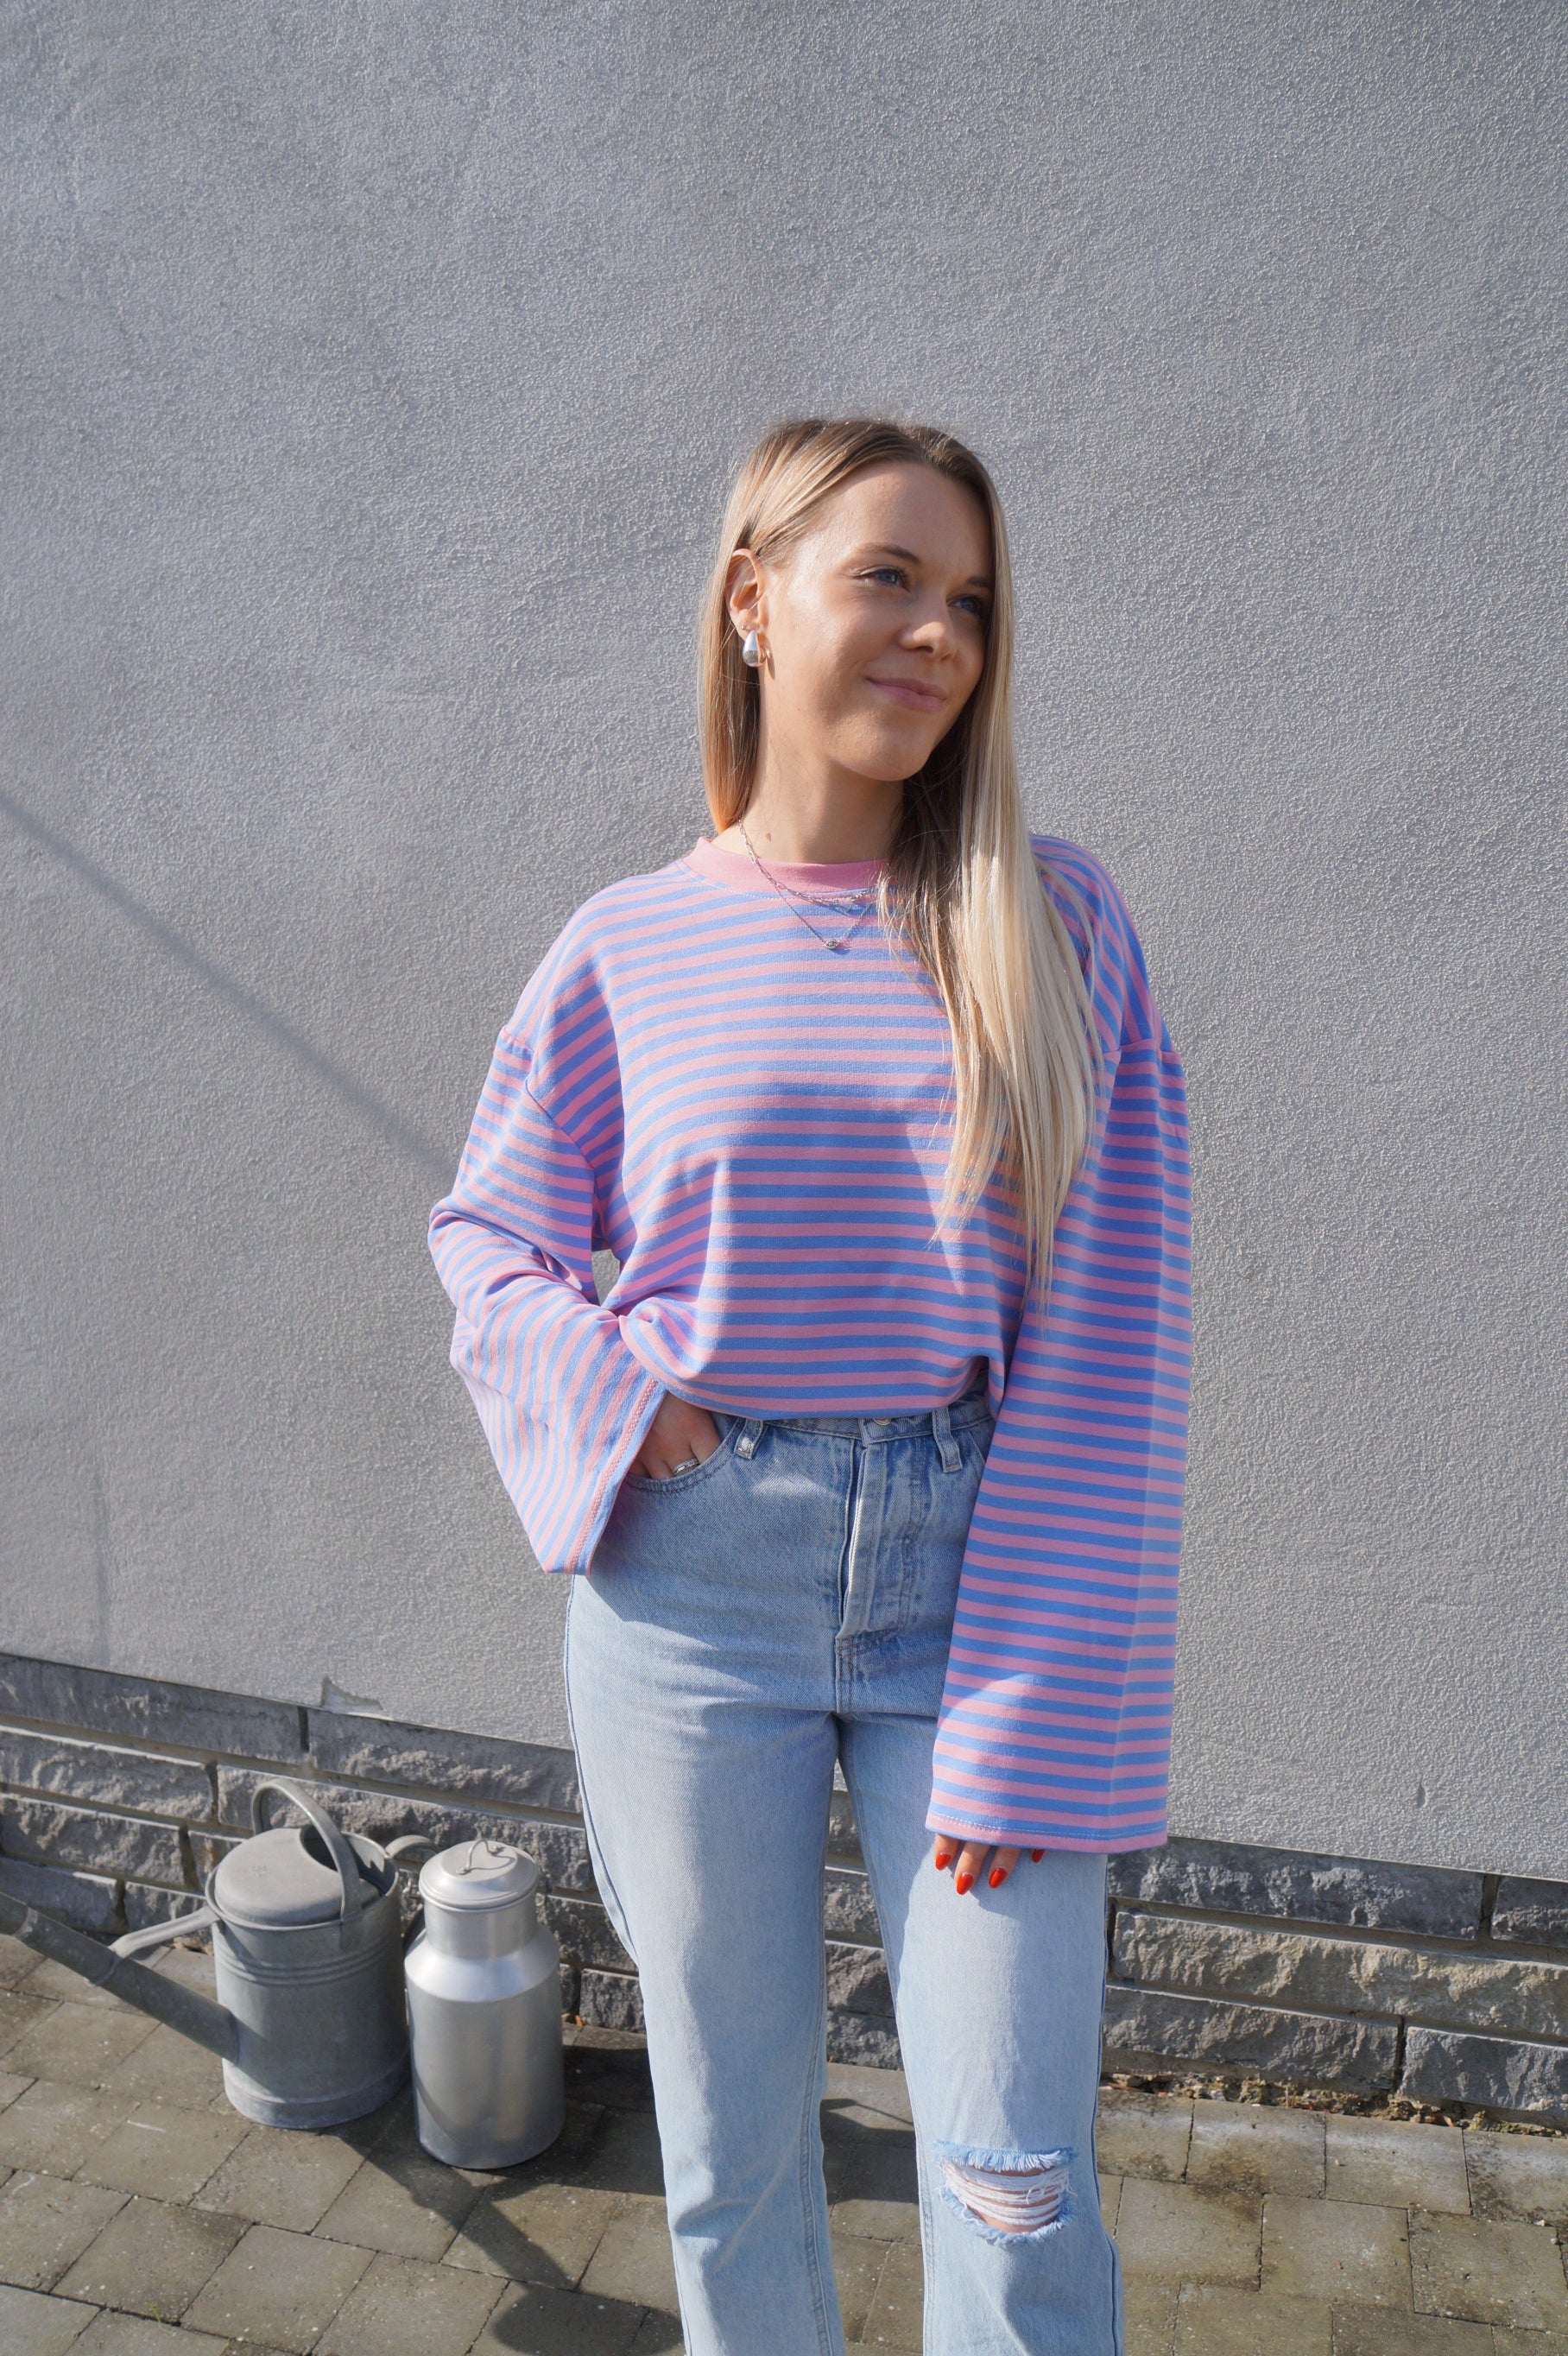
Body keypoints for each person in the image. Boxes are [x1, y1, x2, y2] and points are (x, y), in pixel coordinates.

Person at [428, 416, 1191, 2356]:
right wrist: (631, 1413)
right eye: (890, 578)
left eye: (973, 601)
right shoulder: (627, 946)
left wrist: (1041, 1711)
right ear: (753, 602)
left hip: (978, 1590)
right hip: (696, 1597)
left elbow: (1113, 1338)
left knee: (1015, 2174)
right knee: (731, 2156)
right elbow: (491, 1235)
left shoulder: (1054, 923)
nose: (940, 632)